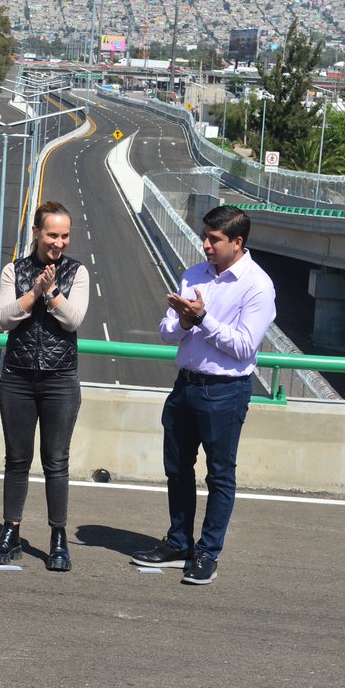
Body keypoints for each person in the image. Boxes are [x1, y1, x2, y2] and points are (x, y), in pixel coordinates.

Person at [132, 205, 275, 586]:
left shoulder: (257, 285)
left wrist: (202, 319)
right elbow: (165, 332)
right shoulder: (194, 275)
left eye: (214, 239)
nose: (206, 245)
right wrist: (181, 320)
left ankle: (207, 553)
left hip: (225, 392)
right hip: (186, 385)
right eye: (205, 237)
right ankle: (179, 542)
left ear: (237, 242)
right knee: (177, 470)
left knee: (220, 476)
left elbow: (245, 347)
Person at [0, 201, 89, 572]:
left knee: (56, 461)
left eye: (64, 236)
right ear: (36, 233)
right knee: (17, 459)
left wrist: (52, 294)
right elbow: (4, 317)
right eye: (51, 235)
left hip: (60, 379)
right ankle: (10, 530)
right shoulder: (14, 270)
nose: (58, 243)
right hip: (17, 377)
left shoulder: (78, 273)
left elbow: (74, 320)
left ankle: (58, 535)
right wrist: (33, 292)